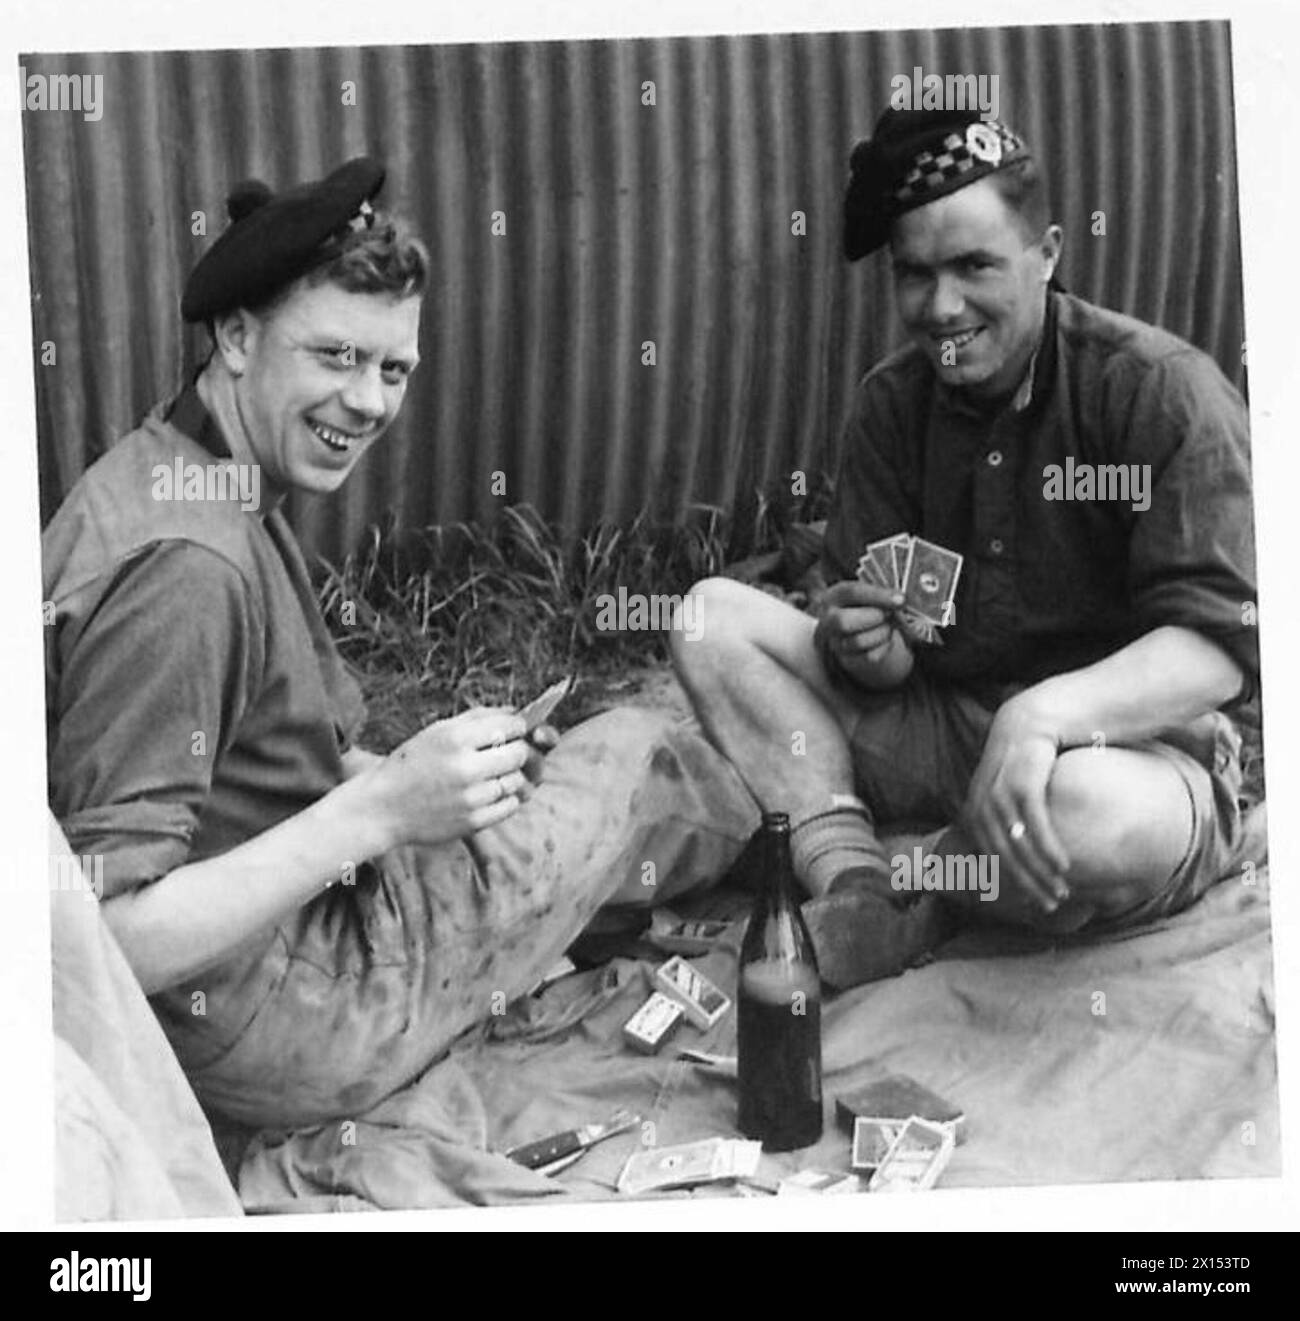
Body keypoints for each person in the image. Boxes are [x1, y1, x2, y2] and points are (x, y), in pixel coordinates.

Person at [44, 157, 757, 1127]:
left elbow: (259, 768)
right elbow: (100, 939)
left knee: (538, 783)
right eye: (335, 356)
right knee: (632, 749)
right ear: (238, 336)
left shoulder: (177, 469)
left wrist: (430, 777)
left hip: (266, 969)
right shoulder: (189, 571)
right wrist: (382, 809)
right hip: (281, 1023)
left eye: (393, 368)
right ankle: (811, 850)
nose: (371, 402)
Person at [671, 108, 1261, 991]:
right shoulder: (891, 404)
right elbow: (879, 639)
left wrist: (1043, 718)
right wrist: (865, 647)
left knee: (1090, 816)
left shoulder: (1158, 391)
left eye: (975, 265)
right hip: (946, 725)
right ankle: (859, 882)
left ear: (1049, 252)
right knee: (709, 619)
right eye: (915, 275)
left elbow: (1220, 648)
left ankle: (931, 878)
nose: (942, 307)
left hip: (1126, 749)